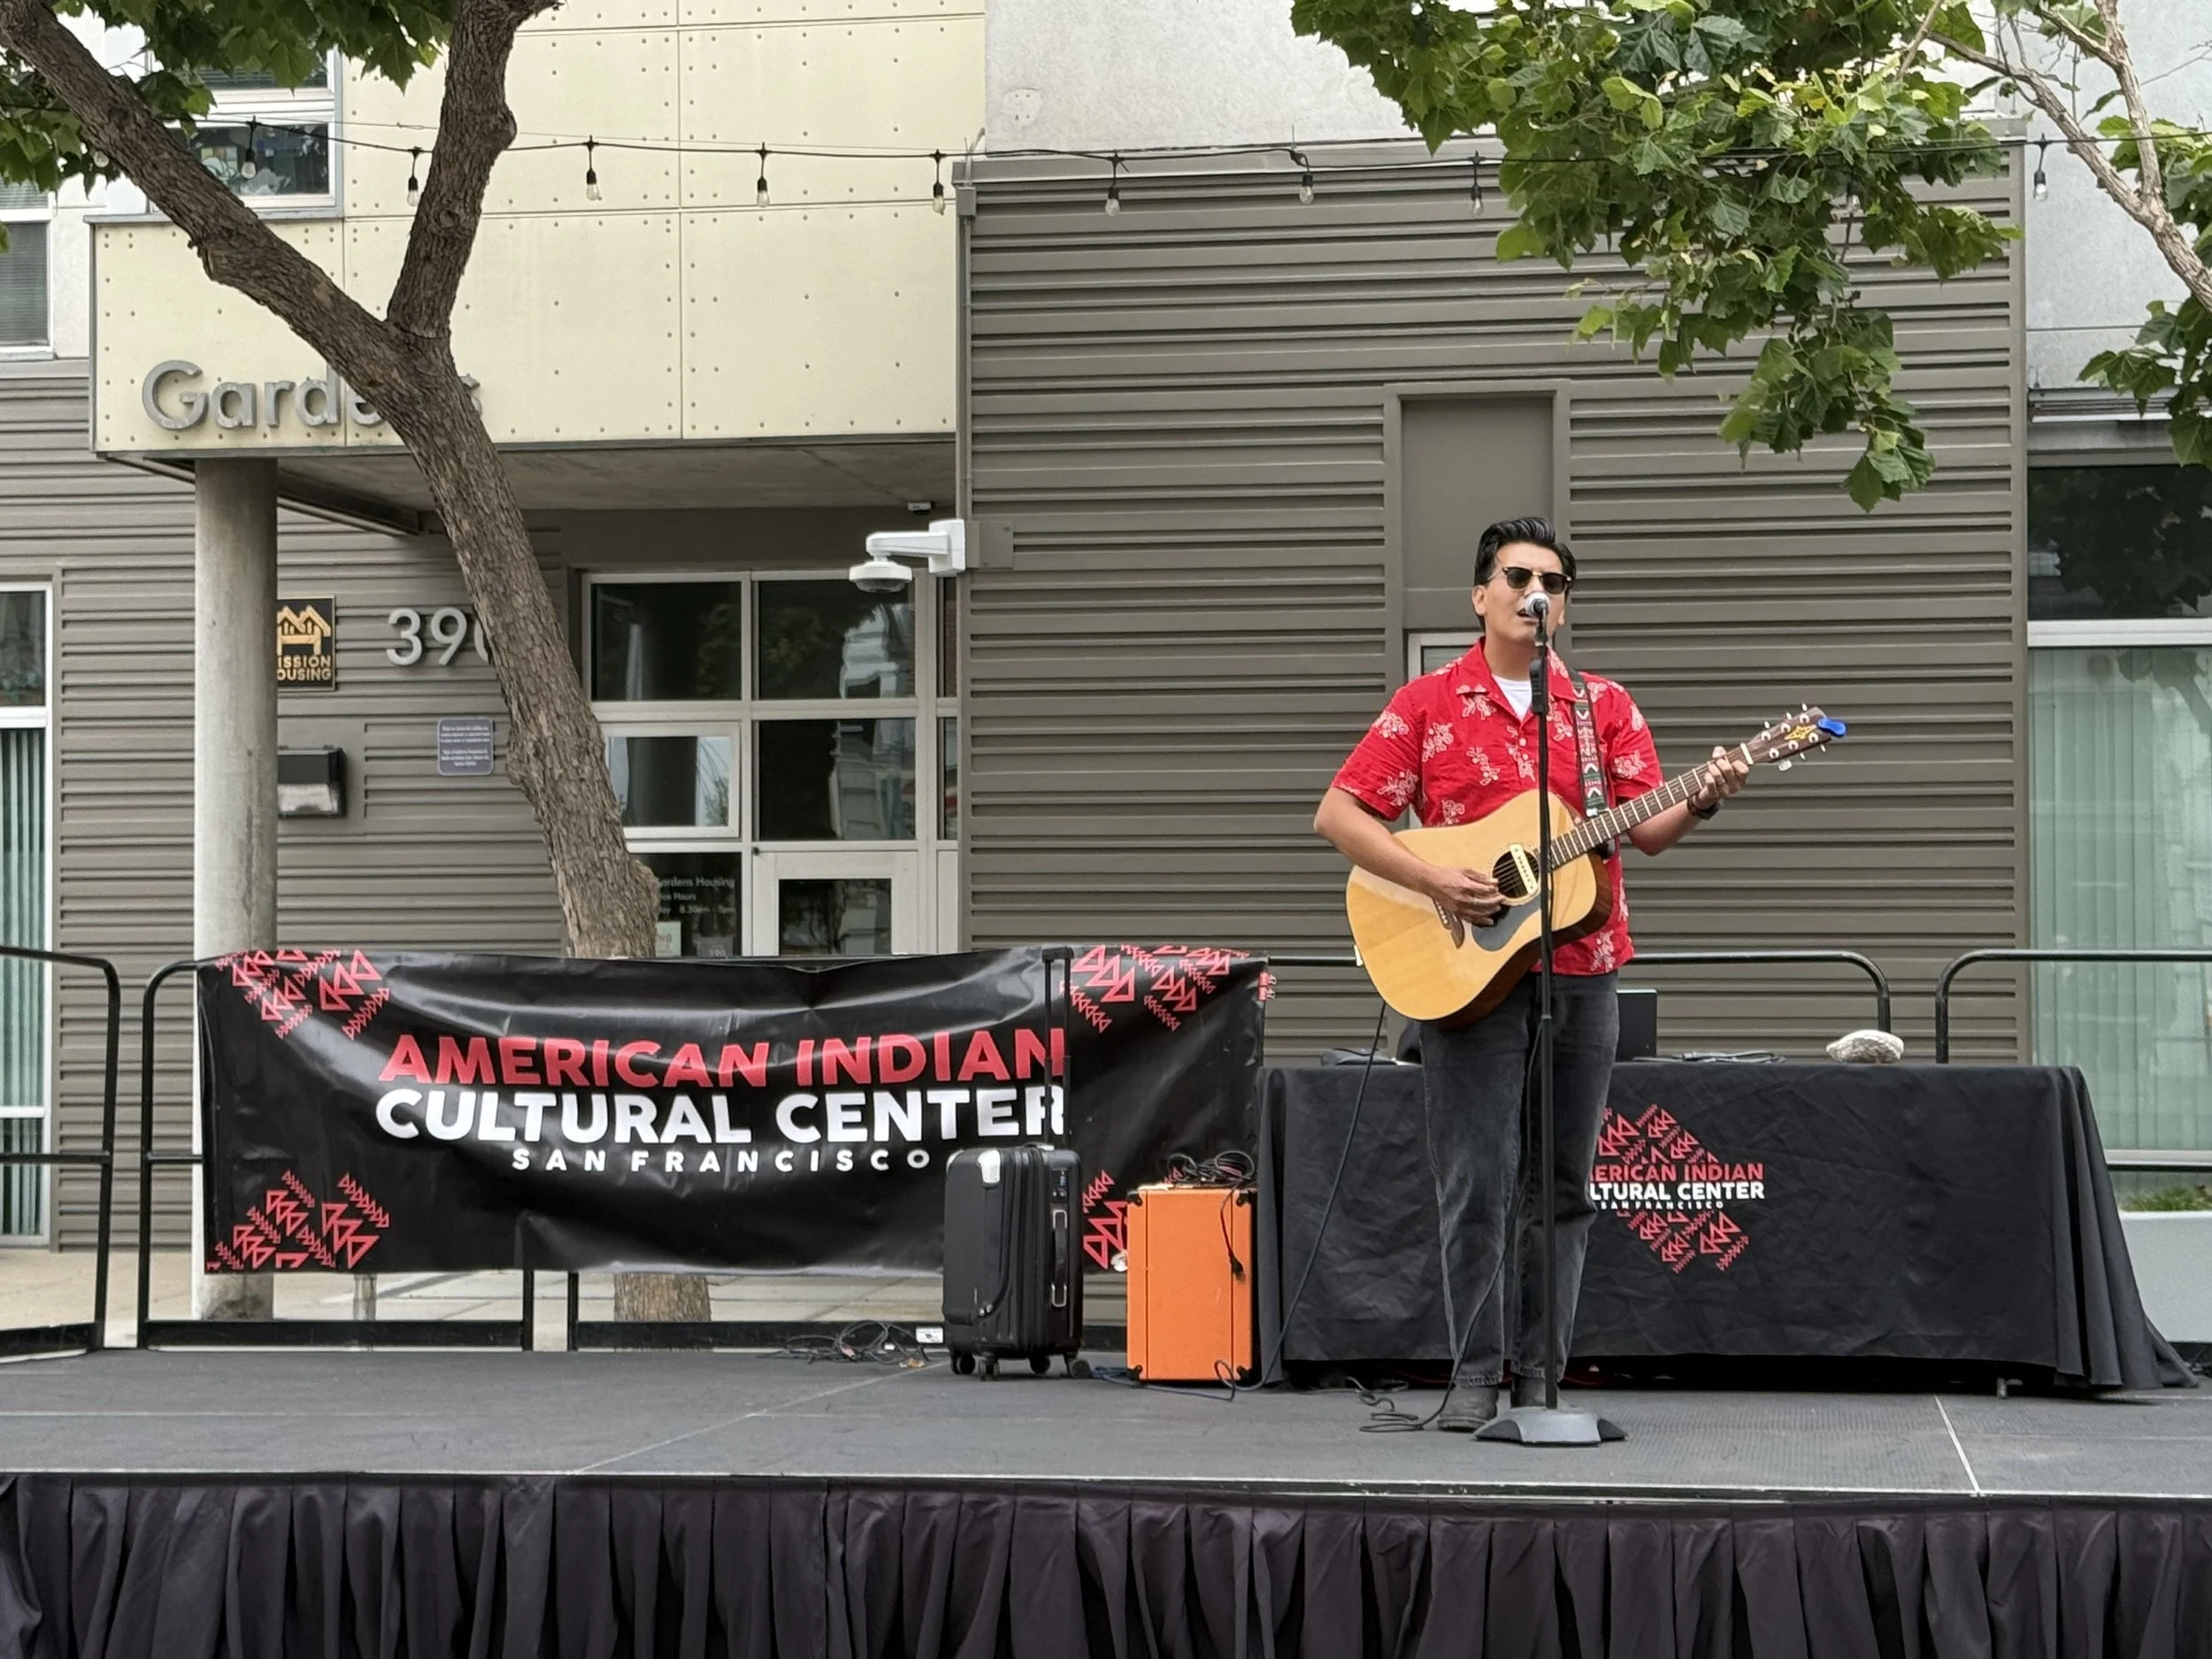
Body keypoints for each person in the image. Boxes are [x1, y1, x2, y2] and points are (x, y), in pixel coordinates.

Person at [1312, 516, 1748, 1430]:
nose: (1532, 591)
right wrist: (1433, 875)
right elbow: (1340, 815)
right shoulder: (1427, 704)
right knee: (1474, 1177)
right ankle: (1473, 1375)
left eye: (1550, 580)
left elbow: (1643, 830)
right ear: (1480, 596)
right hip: (1463, 975)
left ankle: (1540, 1381)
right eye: (1515, 576)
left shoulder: (1602, 708)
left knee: (1563, 1186)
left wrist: (1701, 799)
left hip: (1585, 968)